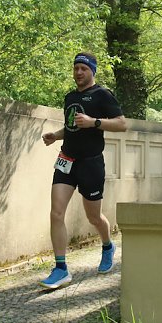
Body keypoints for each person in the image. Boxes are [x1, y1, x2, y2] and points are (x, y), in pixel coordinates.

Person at [40, 52, 127, 289]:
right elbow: (72, 127)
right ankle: (61, 269)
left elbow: (122, 123)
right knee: (56, 213)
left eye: (83, 68)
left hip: (91, 163)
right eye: (76, 68)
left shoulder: (102, 95)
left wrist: (94, 122)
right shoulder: (69, 97)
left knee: (93, 217)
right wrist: (55, 136)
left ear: (92, 71)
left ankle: (108, 245)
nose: (79, 72)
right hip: (67, 160)